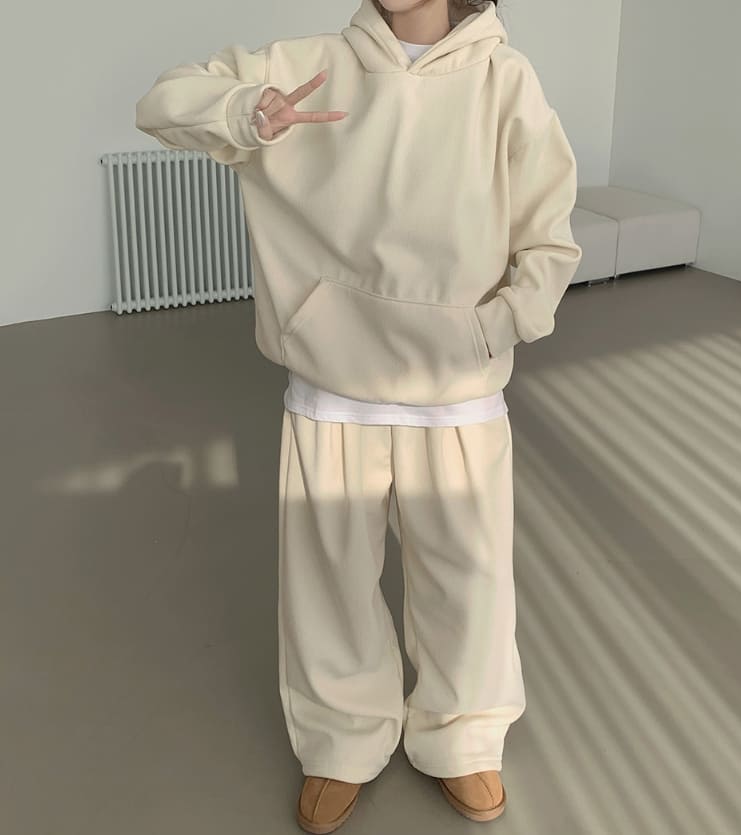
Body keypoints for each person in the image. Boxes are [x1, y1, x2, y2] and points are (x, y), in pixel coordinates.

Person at [135, 0, 582, 831]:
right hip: (333, 383)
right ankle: (341, 740)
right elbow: (161, 102)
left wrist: (496, 324)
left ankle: (462, 735)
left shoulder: (504, 80)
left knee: (469, 580)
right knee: (328, 582)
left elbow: (548, 235)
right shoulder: (307, 63)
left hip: (457, 390)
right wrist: (247, 110)